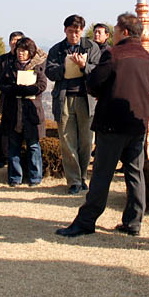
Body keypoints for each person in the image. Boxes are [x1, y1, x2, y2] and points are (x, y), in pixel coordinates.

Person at [56, 13, 149, 237]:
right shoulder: (147, 56)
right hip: (138, 122)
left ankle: (86, 221)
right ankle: (133, 222)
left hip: (112, 122)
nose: (115, 32)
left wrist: (85, 71)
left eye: (118, 28)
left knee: (102, 174)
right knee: (135, 173)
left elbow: (95, 84)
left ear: (125, 32)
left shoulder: (114, 54)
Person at [46, 14, 101, 194]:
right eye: (70, 31)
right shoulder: (57, 49)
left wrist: (84, 65)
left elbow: (99, 71)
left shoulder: (91, 47)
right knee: (67, 140)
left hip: (86, 99)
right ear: (65, 30)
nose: (74, 35)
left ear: (82, 31)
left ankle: (83, 176)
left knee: (86, 141)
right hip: (64, 98)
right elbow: (50, 71)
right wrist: (65, 67)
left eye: (77, 32)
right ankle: (74, 181)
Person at [0, 37, 47, 187]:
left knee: (33, 146)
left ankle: (35, 177)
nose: (21, 53)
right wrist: (14, 89)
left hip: (32, 112)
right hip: (13, 111)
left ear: (30, 52)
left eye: (24, 50)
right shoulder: (10, 66)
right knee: (13, 146)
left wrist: (29, 89)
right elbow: (2, 84)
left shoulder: (38, 65)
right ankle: (15, 177)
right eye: (19, 50)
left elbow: (42, 85)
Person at [0, 31, 24, 169]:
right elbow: (1, 79)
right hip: (7, 96)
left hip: (23, 97)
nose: (15, 42)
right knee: (5, 128)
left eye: (18, 40)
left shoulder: (25, 58)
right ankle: (3, 157)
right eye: (13, 39)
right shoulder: (2, 59)